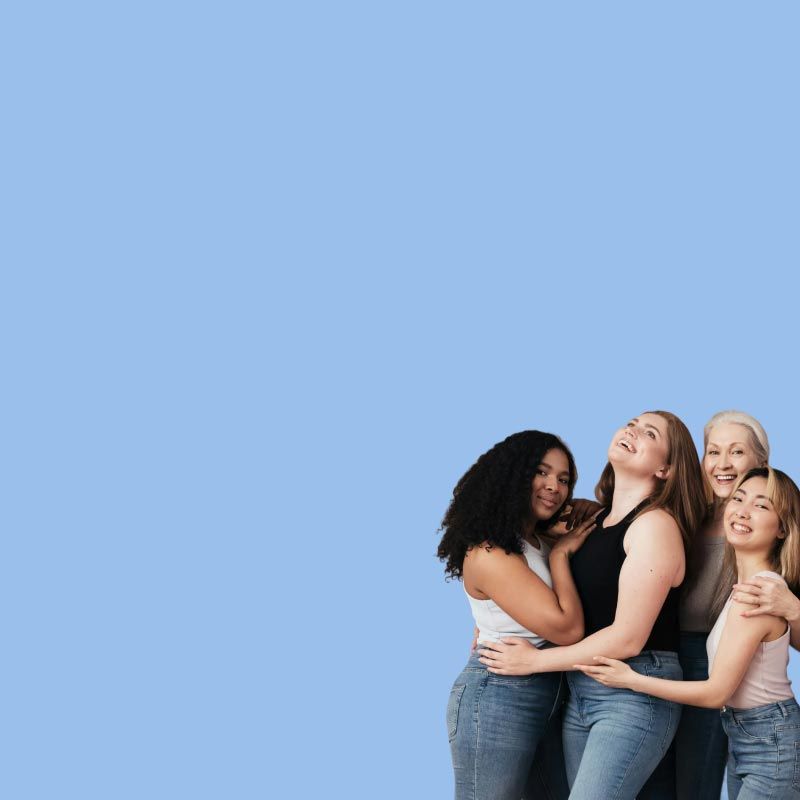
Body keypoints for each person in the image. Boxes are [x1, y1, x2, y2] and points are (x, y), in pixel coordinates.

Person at [478, 412, 706, 799]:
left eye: (649, 433)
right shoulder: (594, 520)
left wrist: (533, 661)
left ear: (666, 468)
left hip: (634, 690)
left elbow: (628, 638)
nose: (632, 431)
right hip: (581, 688)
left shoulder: (655, 526)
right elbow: (522, 559)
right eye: (632, 423)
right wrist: (487, 619)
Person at [576, 467, 800, 800]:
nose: (742, 510)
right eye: (738, 499)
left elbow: (715, 694)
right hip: (752, 735)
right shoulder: (747, 588)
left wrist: (630, 679)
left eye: (761, 506)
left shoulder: (757, 595)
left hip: (769, 740)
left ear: (782, 528)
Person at [437, 430, 597, 800]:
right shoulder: (490, 552)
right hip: (498, 695)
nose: (554, 486)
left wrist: (587, 510)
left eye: (564, 479)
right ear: (512, 475)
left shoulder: (537, 541)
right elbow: (567, 629)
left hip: (549, 690)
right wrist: (561, 557)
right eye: (541, 473)